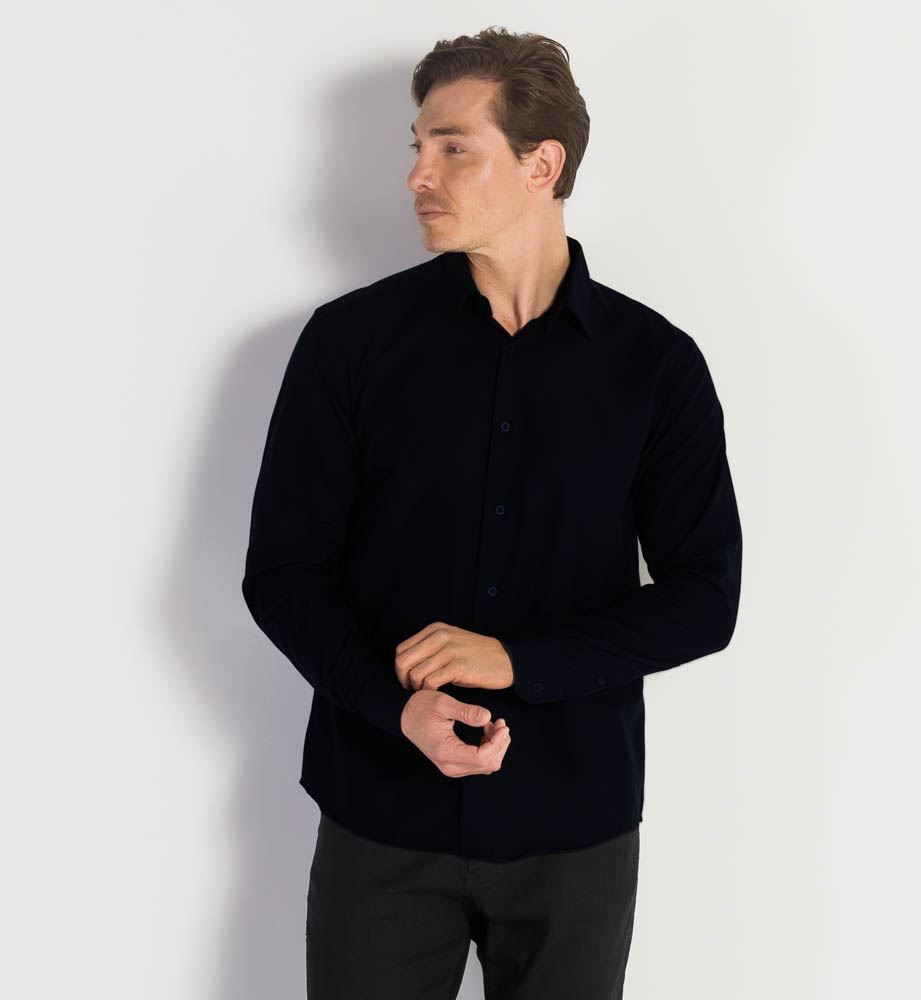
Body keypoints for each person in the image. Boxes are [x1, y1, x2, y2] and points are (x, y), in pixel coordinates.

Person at [241, 26, 742, 1000]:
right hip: (380, 813)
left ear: (540, 165)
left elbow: (704, 599)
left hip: (574, 830)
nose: (417, 176)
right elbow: (283, 573)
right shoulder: (349, 345)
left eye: (452, 147)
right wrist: (395, 707)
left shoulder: (655, 366)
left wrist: (516, 661)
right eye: (417, 146)